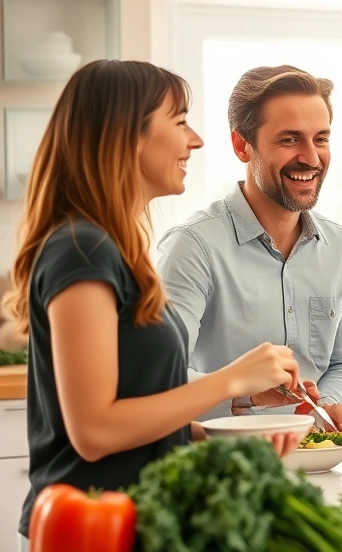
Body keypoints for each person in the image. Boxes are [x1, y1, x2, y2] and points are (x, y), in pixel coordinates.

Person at [2, 61, 304, 549]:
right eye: (180, 121)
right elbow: (94, 431)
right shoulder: (81, 248)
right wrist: (232, 378)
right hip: (83, 531)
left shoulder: (113, 250)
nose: (197, 140)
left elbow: (137, 417)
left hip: (135, 523)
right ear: (128, 135)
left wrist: (234, 437)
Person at [157, 65, 342, 432]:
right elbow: (161, 377)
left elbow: (339, 361)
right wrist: (244, 395)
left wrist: (330, 406)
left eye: (320, 139)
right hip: (219, 464)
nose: (311, 158)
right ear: (242, 146)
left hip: (315, 460)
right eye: (289, 140)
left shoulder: (340, 247)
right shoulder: (193, 246)